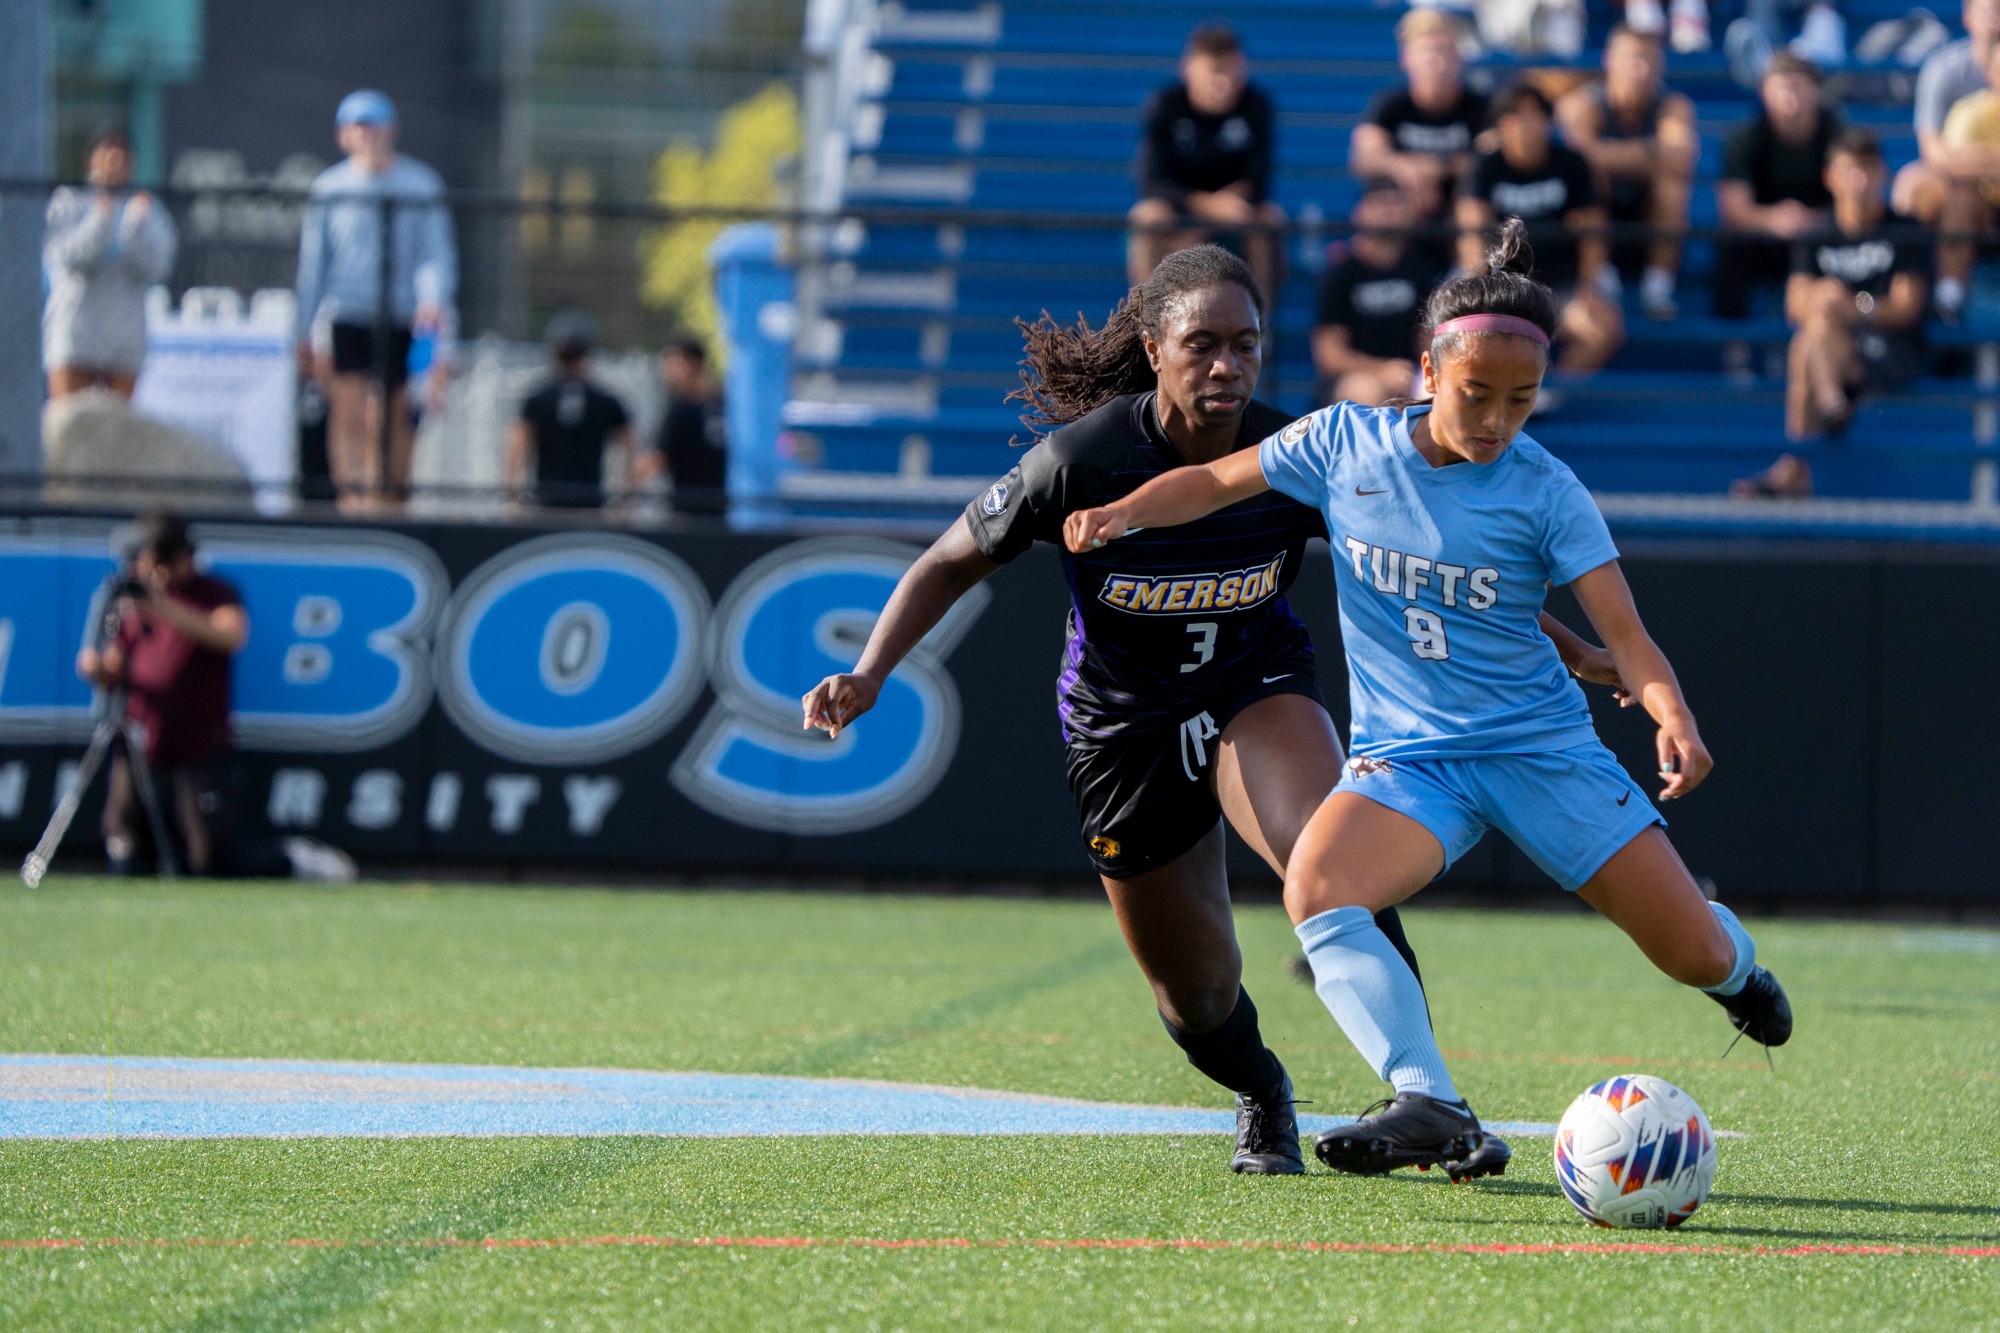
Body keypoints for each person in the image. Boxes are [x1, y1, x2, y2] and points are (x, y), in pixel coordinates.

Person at [800, 244, 1621, 1180]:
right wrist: (869, 672)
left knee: (1332, 856)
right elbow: (950, 558)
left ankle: (1431, 1100)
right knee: (1195, 998)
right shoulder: (1081, 460)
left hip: (1252, 686)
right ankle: (1262, 1089)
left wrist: (1578, 648)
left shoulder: (1296, 452)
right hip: (1124, 728)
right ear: (1155, 349)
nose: (1228, 364)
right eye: (1203, 345)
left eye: (1246, 343)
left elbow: (1442, 568)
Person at [1060, 221, 1793, 1175]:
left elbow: (1629, 638)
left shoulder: (1550, 491)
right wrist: (1123, 510)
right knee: (1317, 885)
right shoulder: (1340, 445)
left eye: (1521, 401)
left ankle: (1740, 973)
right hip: (1412, 762)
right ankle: (1428, 1097)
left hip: (1543, 755)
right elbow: (1208, 482)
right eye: (1475, 395)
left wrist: (1673, 715)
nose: (1495, 420)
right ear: (1426, 372)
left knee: (1690, 951)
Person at [1736, 131, 1932, 496]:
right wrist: (1823, 299)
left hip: (1889, 350)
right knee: (1815, 326)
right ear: (1830, 177)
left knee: (1808, 341)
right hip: (1834, 348)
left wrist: (1855, 304)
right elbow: (1795, 305)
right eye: (1849, 170)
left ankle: (1795, 465)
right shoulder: (1816, 234)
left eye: (1867, 170)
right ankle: (1829, 404)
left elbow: (1906, 308)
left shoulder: (1906, 231)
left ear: (1883, 175)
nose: (1859, 180)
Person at [295, 89, 458, 513]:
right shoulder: (329, 187)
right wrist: (303, 330)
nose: (368, 135)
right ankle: (353, 498)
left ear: (392, 130)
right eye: (359, 126)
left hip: (404, 316)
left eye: (375, 125)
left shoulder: (420, 183)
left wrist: (431, 302)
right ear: (343, 135)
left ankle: (391, 496)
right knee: (347, 407)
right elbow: (314, 265)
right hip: (348, 312)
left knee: (393, 412)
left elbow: (434, 254)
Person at [75, 511, 248, 876]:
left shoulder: (214, 593)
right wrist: (98, 670)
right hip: (140, 743)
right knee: (124, 837)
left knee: (207, 855)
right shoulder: (130, 602)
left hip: (198, 747)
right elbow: (116, 667)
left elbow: (229, 636)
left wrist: (161, 603)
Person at [1457, 81, 1625, 390]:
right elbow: (1471, 235)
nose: (1525, 125)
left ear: (1548, 122)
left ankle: (1541, 392)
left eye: (1534, 116)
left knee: (1604, 328)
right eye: (1515, 117)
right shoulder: (1485, 166)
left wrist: (1588, 285)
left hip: (1560, 287)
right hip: (1499, 285)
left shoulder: (1571, 163)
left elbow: (1593, 233)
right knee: (1447, 325)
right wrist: (1483, 290)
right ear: (1501, 126)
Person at [1128, 26, 1284, 303]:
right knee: (1146, 217)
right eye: (1214, 71)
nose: (1223, 82)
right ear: (1189, 69)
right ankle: (1144, 316)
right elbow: (1151, 180)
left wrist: (1213, 218)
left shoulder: (1256, 106)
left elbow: (1258, 181)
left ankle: (1260, 323)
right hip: (1181, 210)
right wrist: (1205, 205)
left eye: (1230, 70)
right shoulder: (1166, 105)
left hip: (1237, 212)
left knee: (1271, 219)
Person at [1556, 26, 1699, 321]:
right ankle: (1599, 274)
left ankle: (1658, 286)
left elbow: (1681, 155)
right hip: (1592, 219)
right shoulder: (1583, 104)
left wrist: (1605, 154)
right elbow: (1580, 160)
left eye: (1650, 60)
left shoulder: (1673, 105)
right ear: (1610, 61)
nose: (1641, 69)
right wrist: (1652, 153)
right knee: (1589, 180)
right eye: (1633, 59)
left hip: (1648, 217)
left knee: (1671, 185)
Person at [42, 125, 178, 400]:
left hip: (124, 347)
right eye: (107, 152)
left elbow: (158, 266)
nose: (115, 162)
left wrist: (134, 230)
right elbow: (66, 257)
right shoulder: (69, 202)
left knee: (115, 436)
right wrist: (99, 222)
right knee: (70, 429)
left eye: (123, 156)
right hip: (75, 341)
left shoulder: (146, 209)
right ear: (91, 158)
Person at [1350, 10, 1491, 264]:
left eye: (1444, 50)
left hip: (1459, 209)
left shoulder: (1481, 108)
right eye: (1426, 51)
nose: (1435, 61)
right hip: (1407, 210)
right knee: (1376, 207)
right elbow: (1364, 156)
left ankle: (1475, 282)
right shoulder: (1390, 106)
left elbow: (1491, 157)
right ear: (1406, 58)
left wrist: (1439, 168)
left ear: (1459, 57)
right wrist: (1405, 167)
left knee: (1472, 205)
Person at [1714, 52, 1840, 326]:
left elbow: (1859, 202)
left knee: (1865, 258)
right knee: (1729, 246)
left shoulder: (1840, 137)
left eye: (1798, 86)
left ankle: (1855, 329)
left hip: (1824, 240)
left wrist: (1812, 222)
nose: (1789, 96)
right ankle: (1735, 350)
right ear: (1764, 92)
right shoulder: (1746, 138)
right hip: (1765, 240)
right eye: (1781, 87)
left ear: (1816, 91)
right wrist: (1774, 219)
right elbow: (1734, 208)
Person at [1312, 180, 1442, 406]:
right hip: (1352, 378)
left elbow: (1427, 340)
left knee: (1436, 391)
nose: (1389, 212)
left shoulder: (1421, 271)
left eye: (1396, 204)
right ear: (1359, 213)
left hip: (1407, 374)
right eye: (1380, 204)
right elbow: (1329, 354)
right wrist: (1381, 370)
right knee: (1366, 391)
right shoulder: (1340, 275)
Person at [1909, 2, 2000, 321]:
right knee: (1923, 188)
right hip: (1964, 190)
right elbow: (1936, 155)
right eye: (1989, 9)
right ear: (1967, 16)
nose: (1996, 18)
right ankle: (1948, 296)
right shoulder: (1945, 70)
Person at [506, 311, 635, 511]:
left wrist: (513, 497)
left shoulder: (538, 397)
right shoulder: (605, 400)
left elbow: (517, 446)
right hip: (591, 502)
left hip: (547, 503)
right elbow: (629, 446)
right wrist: (626, 497)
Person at [645, 334, 730, 517]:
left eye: (672, 363)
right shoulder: (730, 404)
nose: (667, 371)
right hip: (729, 511)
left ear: (692, 363)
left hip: (689, 514)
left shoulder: (681, 409)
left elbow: (656, 461)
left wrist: (626, 483)